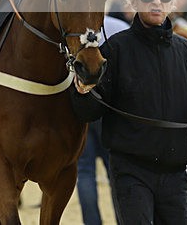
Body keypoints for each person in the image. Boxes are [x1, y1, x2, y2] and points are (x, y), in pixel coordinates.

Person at [70, 0, 187, 224]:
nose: (157, 2)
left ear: (172, 2)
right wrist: (82, 90)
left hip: (175, 173)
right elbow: (90, 111)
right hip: (131, 171)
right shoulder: (114, 50)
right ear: (134, 1)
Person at [76, 15, 129, 225]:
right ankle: (122, 220)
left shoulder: (75, 27)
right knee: (114, 172)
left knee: (85, 172)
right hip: (110, 110)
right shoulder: (120, 28)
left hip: (83, 106)